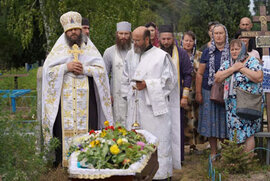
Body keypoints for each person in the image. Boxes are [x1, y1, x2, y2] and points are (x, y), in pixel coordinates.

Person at [42, 11, 113, 167]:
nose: (73, 32)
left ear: (81, 30)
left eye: (76, 29)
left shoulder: (90, 50)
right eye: (70, 30)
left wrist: (85, 70)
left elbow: (101, 72)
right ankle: (63, 165)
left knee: (89, 129)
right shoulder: (58, 51)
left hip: (87, 102)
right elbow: (48, 72)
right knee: (61, 131)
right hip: (64, 102)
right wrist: (65, 67)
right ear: (65, 32)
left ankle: (89, 164)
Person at [121, 26, 181, 180]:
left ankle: (161, 174)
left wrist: (147, 84)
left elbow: (169, 82)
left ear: (147, 39)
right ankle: (136, 172)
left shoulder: (161, 57)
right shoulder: (130, 55)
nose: (134, 43)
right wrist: (129, 92)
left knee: (157, 139)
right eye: (133, 40)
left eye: (137, 40)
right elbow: (125, 76)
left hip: (154, 110)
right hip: (135, 107)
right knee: (135, 141)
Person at [215, 39, 263, 152]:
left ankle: (247, 162)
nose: (234, 52)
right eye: (232, 49)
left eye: (237, 49)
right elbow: (217, 78)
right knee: (236, 132)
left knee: (248, 132)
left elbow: (258, 77)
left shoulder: (252, 61)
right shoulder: (228, 63)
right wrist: (233, 68)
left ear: (243, 49)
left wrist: (241, 68)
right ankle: (238, 161)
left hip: (248, 103)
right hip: (233, 106)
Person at [159, 24, 192, 162]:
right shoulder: (155, 53)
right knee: (161, 127)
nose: (166, 41)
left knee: (177, 126)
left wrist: (184, 97)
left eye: (169, 38)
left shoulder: (182, 53)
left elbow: (188, 75)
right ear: (159, 38)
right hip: (159, 96)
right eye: (163, 39)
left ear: (173, 38)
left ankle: (178, 158)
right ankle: (162, 157)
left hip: (177, 96)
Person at [196, 24, 229, 159]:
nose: (219, 36)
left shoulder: (232, 50)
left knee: (225, 122)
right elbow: (200, 73)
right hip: (208, 91)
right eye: (216, 33)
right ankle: (213, 153)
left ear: (225, 35)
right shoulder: (207, 52)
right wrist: (198, 93)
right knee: (211, 123)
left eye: (221, 33)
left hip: (227, 92)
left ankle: (227, 153)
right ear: (212, 35)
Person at [103, 21, 132, 124]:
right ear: (117, 34)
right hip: (115, 95)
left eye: (126, 34)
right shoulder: (109, 52)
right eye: (121, 34)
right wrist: (107, 94)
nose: (123, 36)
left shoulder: (136, 51)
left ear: (130, 34)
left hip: (133, 93)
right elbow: (104, 75)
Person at [181, 31, 205, 150]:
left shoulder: (199, 55)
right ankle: (186, 144)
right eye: (186, 40)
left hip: (196, 90)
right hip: (183, 92)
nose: (188, 43)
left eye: (191, 41)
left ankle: (196, 144)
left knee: (196, 117)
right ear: (182, 41)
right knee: (185, 119)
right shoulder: (178, 55)